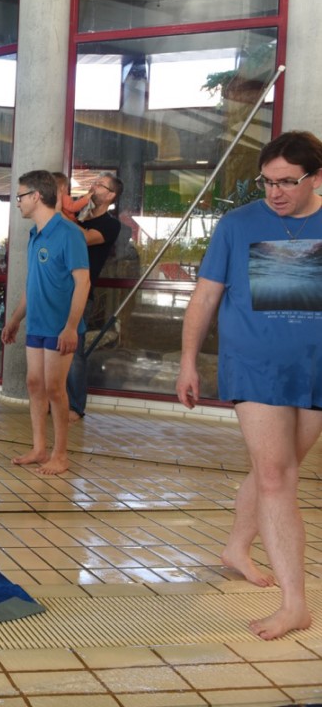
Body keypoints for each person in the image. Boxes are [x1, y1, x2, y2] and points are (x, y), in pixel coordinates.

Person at [176, 130, 322, 640]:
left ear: (316, 178)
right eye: (268, 182)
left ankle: (236, 546)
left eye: (287, 182)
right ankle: (295, 604)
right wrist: (188, 362)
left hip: (314, 369)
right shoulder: (237, 225)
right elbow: (205, 297)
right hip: (254, 367)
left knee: (275, 470)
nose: (275, 192)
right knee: (279, 476)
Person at [0, 170, 89, 476]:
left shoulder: (69, 233)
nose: (18, 202)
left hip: (60, 326)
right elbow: (32, 283)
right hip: (37, 323)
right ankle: (39, 448)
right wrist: (15, 319)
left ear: (36, 196)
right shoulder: (34, 234)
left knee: (54, 388)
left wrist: (71, 326)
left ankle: (60, 455)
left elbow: (83, 282)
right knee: (34, 384)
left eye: (20, 196)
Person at [66, 173, 122, 421]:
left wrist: (61, 215)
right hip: (59, 290)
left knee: (74, 350)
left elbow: (84, 238)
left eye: (100, 185)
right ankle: (55, 400)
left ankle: (75, 406)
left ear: (111, 195)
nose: (93, 186)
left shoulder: (110, 225)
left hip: (81, 293)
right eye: (94, 182)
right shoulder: (78, 215)